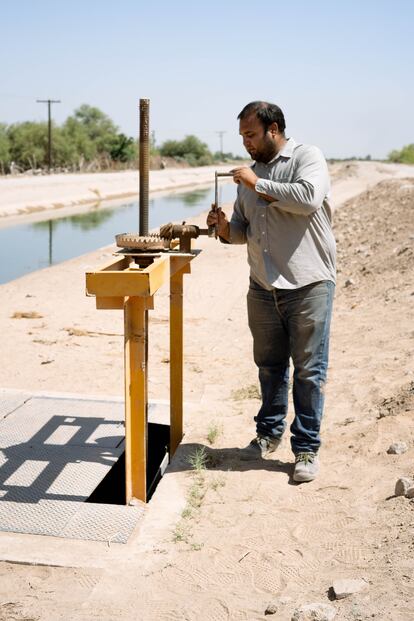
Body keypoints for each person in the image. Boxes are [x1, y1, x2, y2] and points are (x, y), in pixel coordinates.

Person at [207, 101, 336, 482]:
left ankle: (307, 449)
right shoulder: (251, 176)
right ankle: (267, 435)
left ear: (274, 129)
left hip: (308, 283)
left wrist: (255, 183)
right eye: (242, 136)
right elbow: (244, 230)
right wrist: (223, 229)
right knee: (270, 368)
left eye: (251, 134)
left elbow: (307, 199)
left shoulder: (306, 157)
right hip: (263, 287)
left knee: (309, 372)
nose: (246, 142)